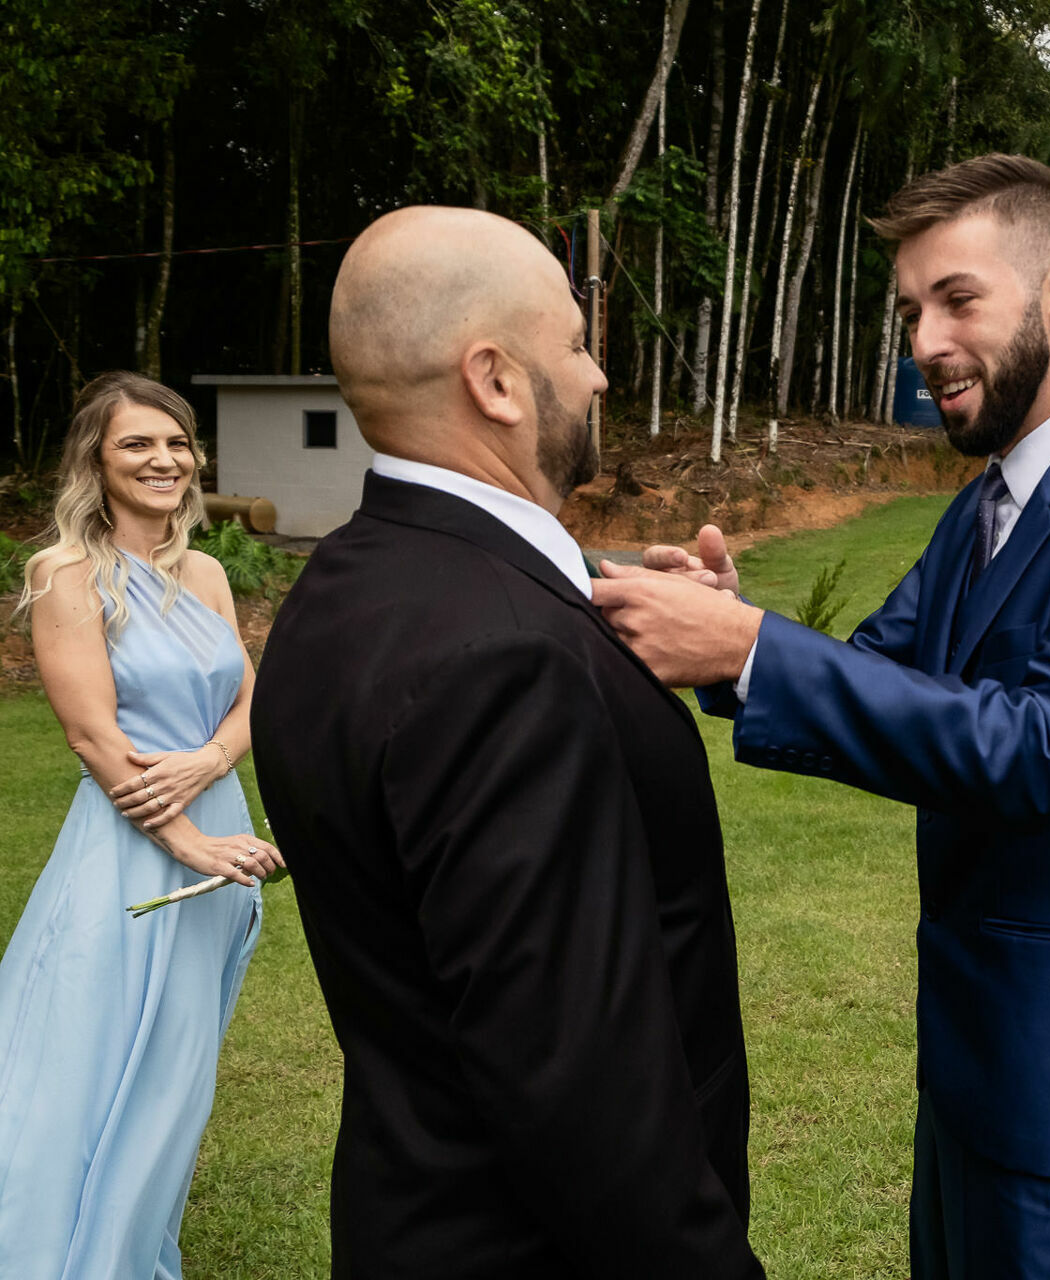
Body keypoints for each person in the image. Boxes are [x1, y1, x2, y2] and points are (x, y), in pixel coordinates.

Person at [593, 155, 1050, 1278]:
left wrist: (751, 649)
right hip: (971, 1057)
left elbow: (1046, 743)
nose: (925, 340)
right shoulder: (980, 507)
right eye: (911, 311)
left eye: (958, 299)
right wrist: (731, 635)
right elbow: (877, 678)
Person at [249, 207, 763, 1277]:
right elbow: (586, 1091)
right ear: (494, 379)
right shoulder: (508, 662)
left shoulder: (337, 593)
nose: (598, 377)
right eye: (574, 343)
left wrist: (598, 591)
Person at [0, 371, 282, 1275]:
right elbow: (92, 733)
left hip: (214, 828)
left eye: (176, 443)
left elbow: (251, 698)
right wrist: (190, 840)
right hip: (130, 848)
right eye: (136, 444)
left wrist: (210, 764)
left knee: (172, 1066)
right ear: (95, 458)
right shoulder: (63, 573)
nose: (163, 460)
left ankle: (126, 1237)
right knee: (85, 1049)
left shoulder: (204, 570)